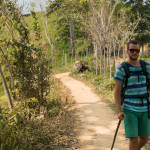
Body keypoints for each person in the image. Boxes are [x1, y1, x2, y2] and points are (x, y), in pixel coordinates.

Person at [114, 40, 150, 150]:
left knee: (144, 138)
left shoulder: (147, 67)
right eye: (132, 50)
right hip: (129, 108)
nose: (134, 52)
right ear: (127, 51)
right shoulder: (122, 69)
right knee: (133, 139)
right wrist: (119, 110)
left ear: (139, 51)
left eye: (137, 50)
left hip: (145, 108)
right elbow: (117, 91)